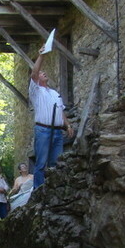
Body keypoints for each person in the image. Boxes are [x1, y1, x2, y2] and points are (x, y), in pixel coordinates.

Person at [29, 47, 75, 188]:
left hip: (57, 131)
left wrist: (67, 125)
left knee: (56, 162)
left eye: (45, 72)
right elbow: (34, 73)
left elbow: (60, 111)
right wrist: (41, 55)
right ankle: (38, 191)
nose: (44, 73)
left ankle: (53, 190)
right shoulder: (36, 91)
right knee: (41, 163)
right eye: (42, 73)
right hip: (43, 130)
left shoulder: (55, 93)